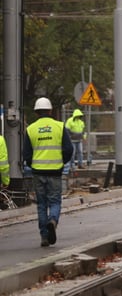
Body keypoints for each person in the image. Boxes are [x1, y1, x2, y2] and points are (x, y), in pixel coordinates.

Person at [23, 97, 73, 247]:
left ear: (36, 112)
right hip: (55, 172)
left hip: (38, 172)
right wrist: (61, 162)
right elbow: (69, 149)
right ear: (50, 111)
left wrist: (33, 165)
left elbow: (26, 154)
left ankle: (44, 237)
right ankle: (53, 220)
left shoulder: (31, 129)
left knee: (41, 204)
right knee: (55, 201)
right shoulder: (59, 126)